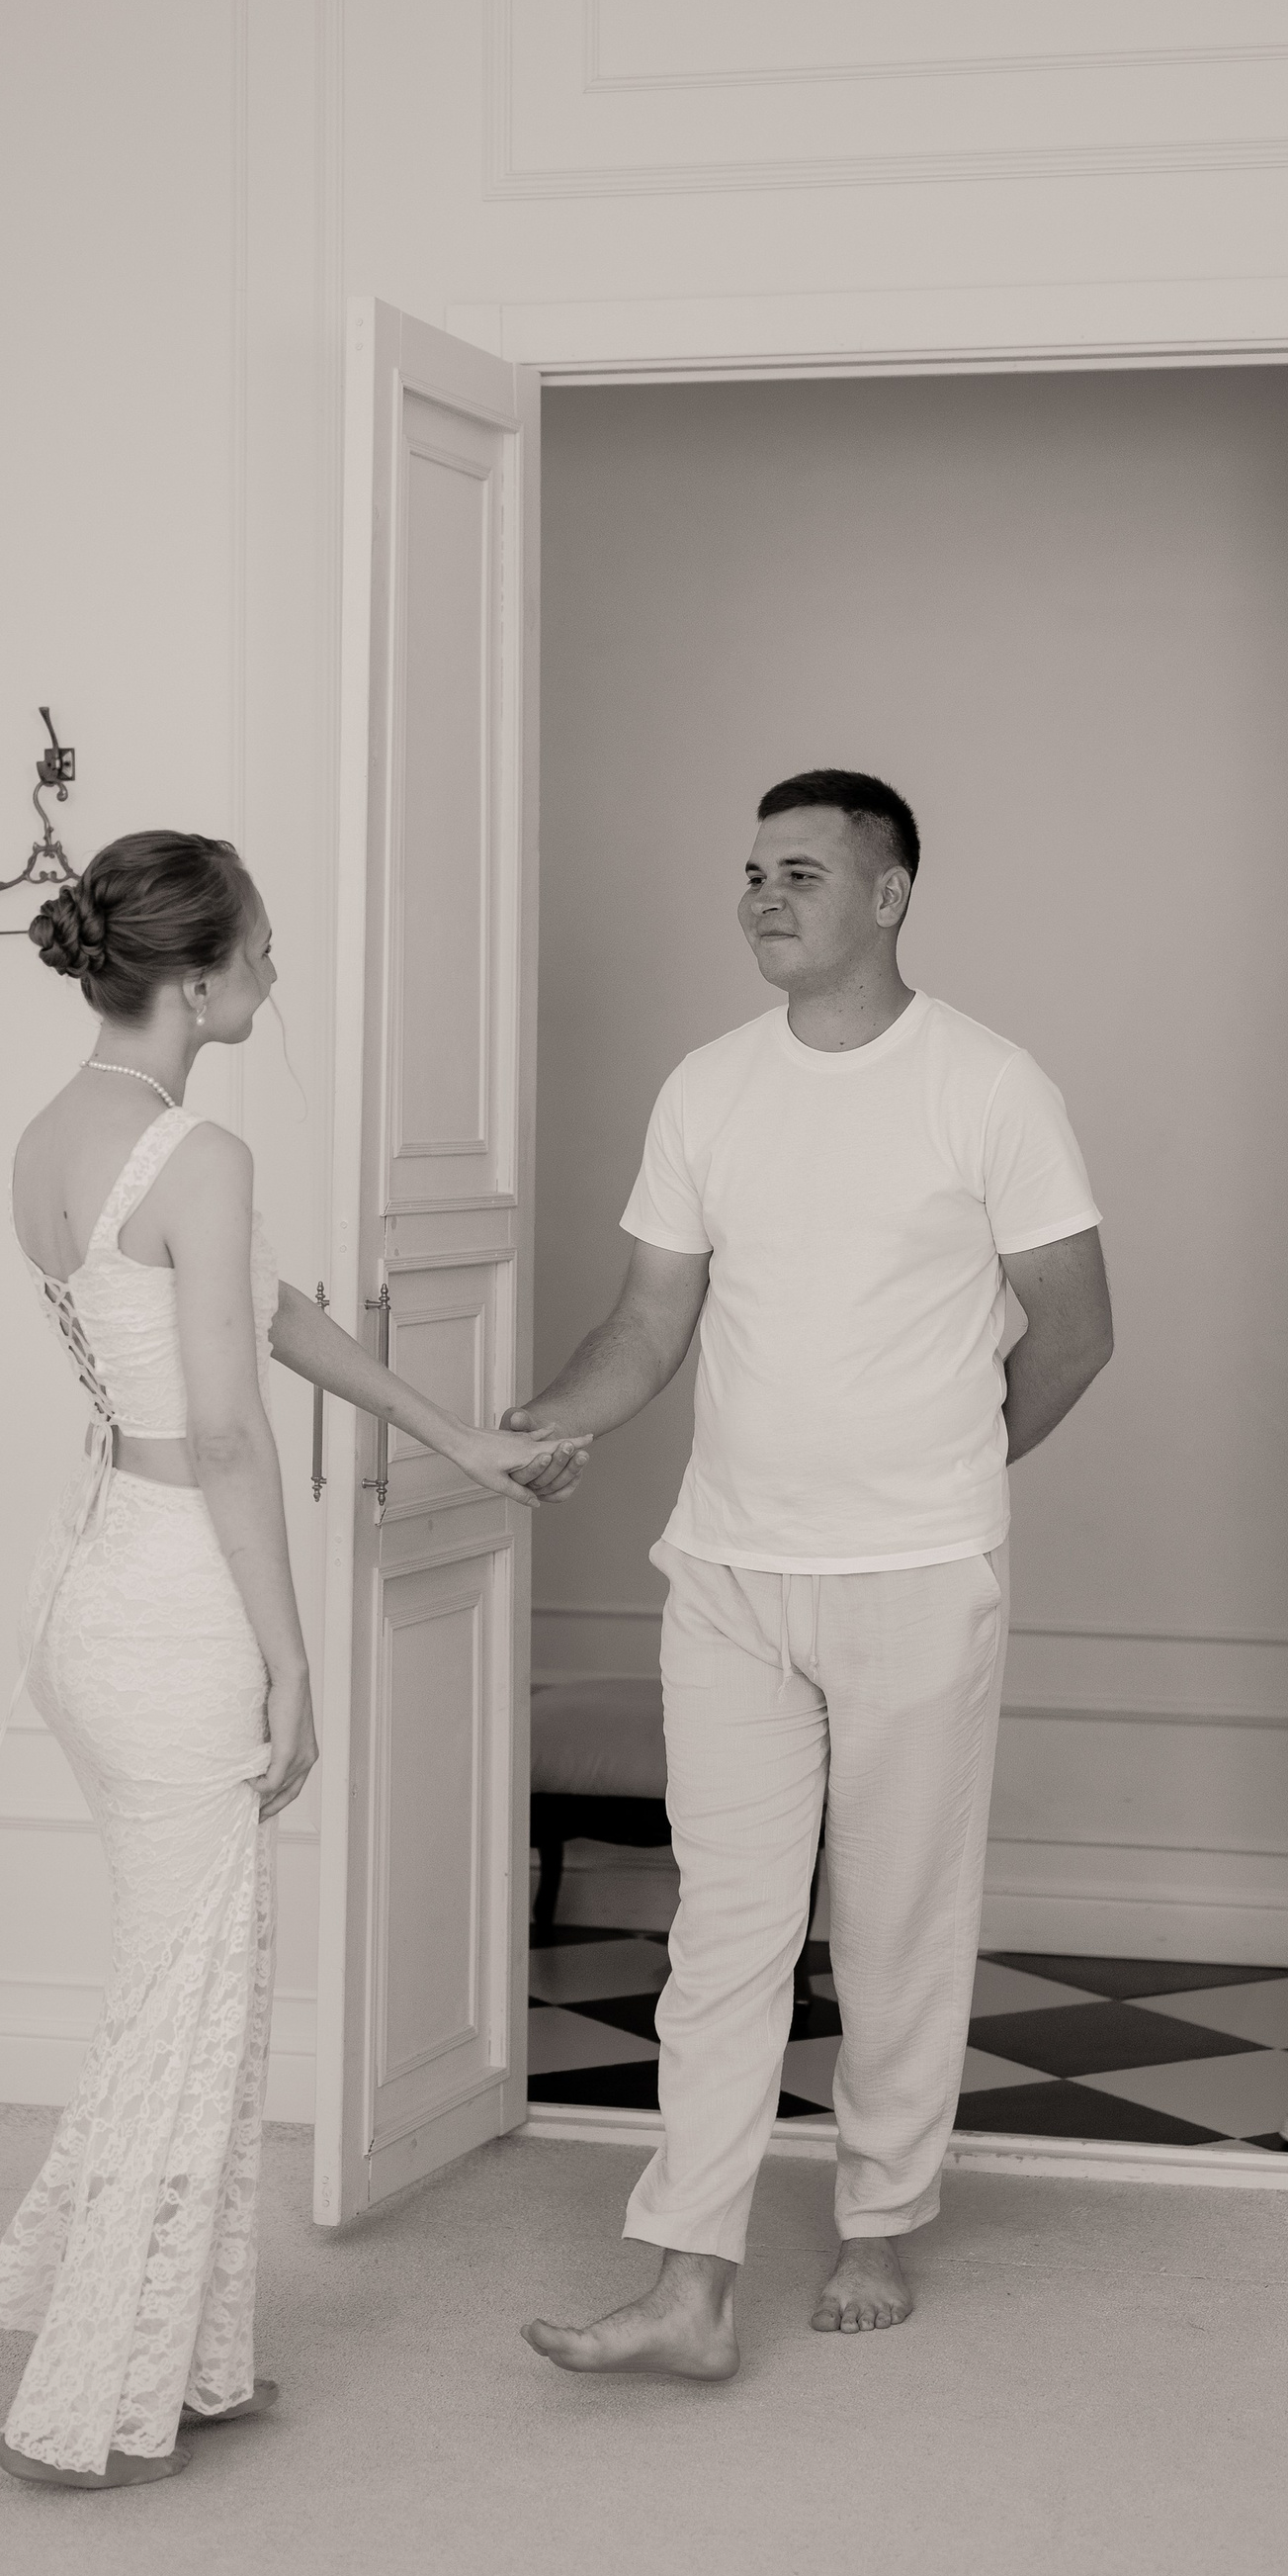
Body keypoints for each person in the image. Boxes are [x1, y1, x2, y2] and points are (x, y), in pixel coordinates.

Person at [0, 830, 586, 2486]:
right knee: (190, 1993)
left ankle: (181, 2354)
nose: (273, 969)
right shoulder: (199, 1151)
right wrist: (292, 1660)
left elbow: (272, 1315)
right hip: (173, 1593)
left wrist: (459, 1435)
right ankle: (79, 2407)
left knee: (191, 1981)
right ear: (193, 978)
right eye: (258, 946)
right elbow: (233, 1432)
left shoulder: (60, 1132)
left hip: (90, 1578)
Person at [507, 770, 1112, 2378]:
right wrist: (545, 1420)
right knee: (723, 1930)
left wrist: (951, 1474)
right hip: (728, 1570)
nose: (763, 897)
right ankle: (688, 2277)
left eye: (801, 873)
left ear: (890, 894)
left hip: (917, 1572)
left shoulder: (987, 1083)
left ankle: (878, 2220)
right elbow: (648, 1323)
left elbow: (1077, 1329)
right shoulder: (708, 1087)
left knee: (897, 1919)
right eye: (753, 872)